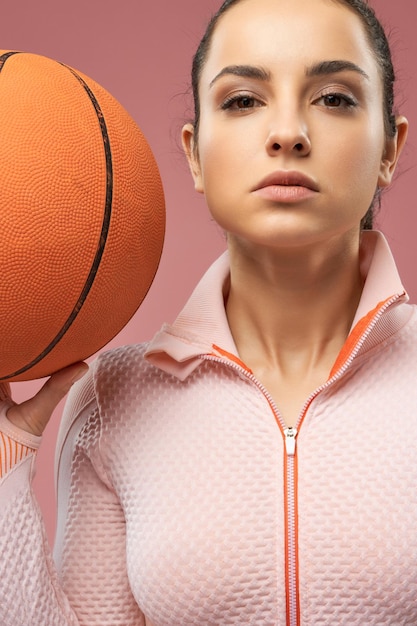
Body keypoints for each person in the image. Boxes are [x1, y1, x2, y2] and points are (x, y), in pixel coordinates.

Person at [0, 0, 415, 624]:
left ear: (390, 146)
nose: (288, 132)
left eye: (333, 97)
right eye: (243, 100)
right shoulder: (113, 398)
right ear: (195, 155)